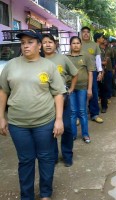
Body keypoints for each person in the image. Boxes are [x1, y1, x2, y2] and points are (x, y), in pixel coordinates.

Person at [0, 30, 66, 200]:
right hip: (17, 123)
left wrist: (59, 120)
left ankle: (45, 193)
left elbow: (58, 93)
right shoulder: (11, 65)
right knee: (26, 160)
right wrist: (1, 117)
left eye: (30, 42)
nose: (25, 46)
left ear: (39, 45)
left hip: (44, 122)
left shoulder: (48, 66)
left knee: (46, 157)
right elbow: (3, 92)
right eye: (23, 43)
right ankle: (26, 196)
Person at [42, 33, 78, 167]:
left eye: (50, 42)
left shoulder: (62, 58)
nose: (47, 44)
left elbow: (75, 73)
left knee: (67, 127)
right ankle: (53, 156)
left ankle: (67, 155)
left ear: (55, 44)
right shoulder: (39, 60)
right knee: (50, 129)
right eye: (44, 42)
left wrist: (71, 89)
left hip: (63, 98)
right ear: (41, 45)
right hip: (46, 101)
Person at [66, 36, 94, 143]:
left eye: (78, 43)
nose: (76, 45)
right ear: (70, 45)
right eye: (73, 43)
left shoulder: (86, 56)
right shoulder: (66, 57)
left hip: (82, 88)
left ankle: (85, 134)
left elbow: (90, 73)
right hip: (70, 89)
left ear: (81, 44)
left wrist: (90, 89)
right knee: (73, 112)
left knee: (82, 111)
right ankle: (73, 135)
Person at [80, 26, 104, 123]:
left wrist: (100, 71)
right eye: (84, 32)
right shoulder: (77, 43)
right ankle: (79, 115)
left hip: (93, 71)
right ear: (81, 33)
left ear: (90, 34)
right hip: (80, 71)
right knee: (79, 92)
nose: (86, 34)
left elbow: (98, 59)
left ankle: (94, 114)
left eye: (87, 32)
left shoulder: (95, 45)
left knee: (93, 92)